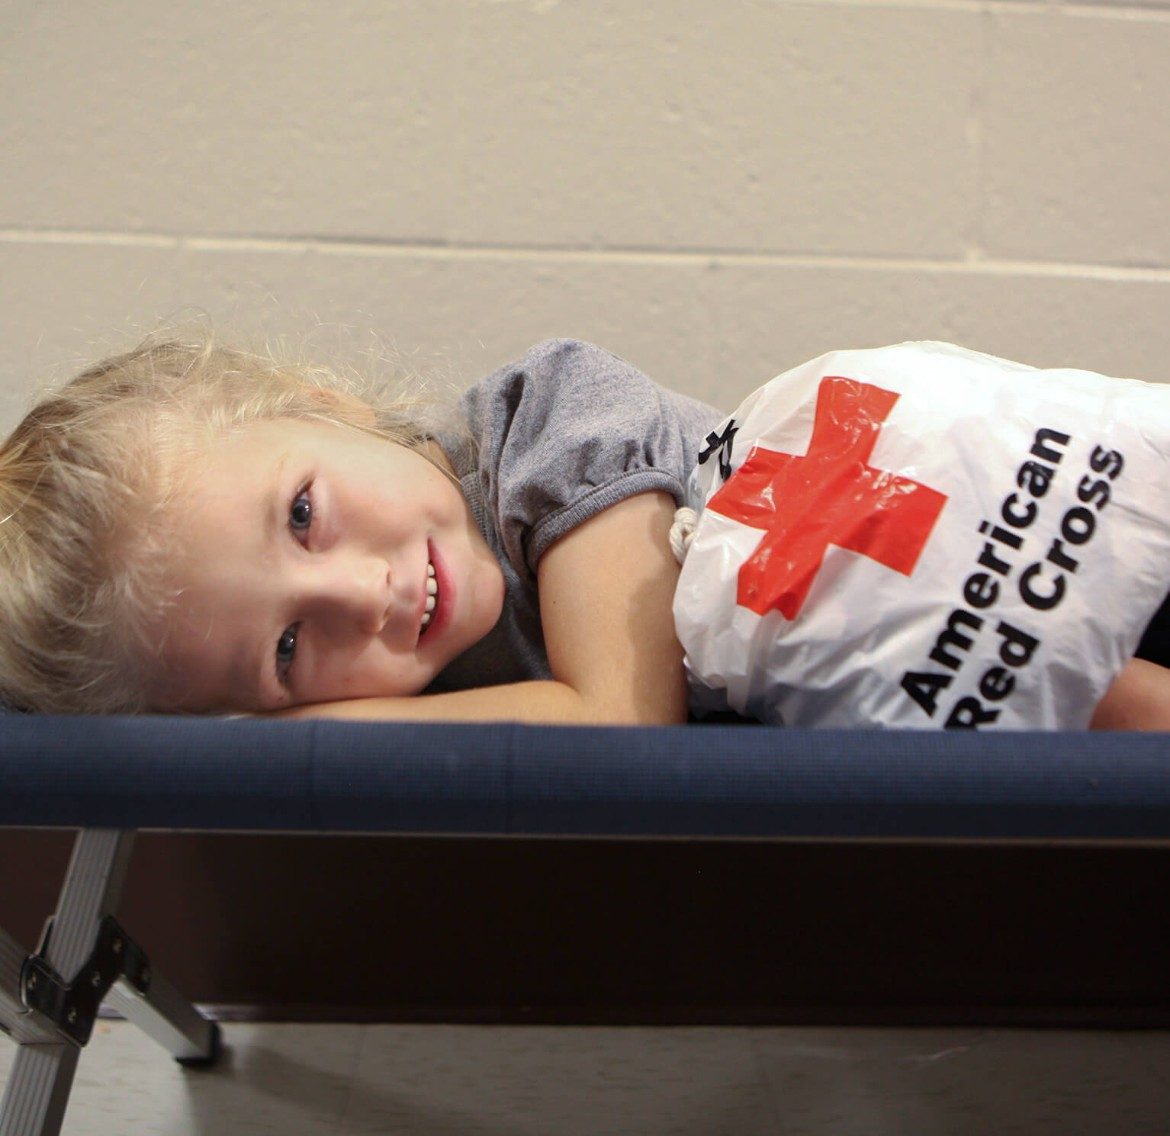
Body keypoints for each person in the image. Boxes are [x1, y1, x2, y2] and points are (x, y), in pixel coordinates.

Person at [1, 332, 1167, 728]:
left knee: (1047, 675)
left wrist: (268, 728)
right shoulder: (421, 690)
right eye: (290, 648)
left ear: (329, 403)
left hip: (1104, 571)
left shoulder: (549, 420)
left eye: (305, 514)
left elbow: (622, 719)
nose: (365, 592)